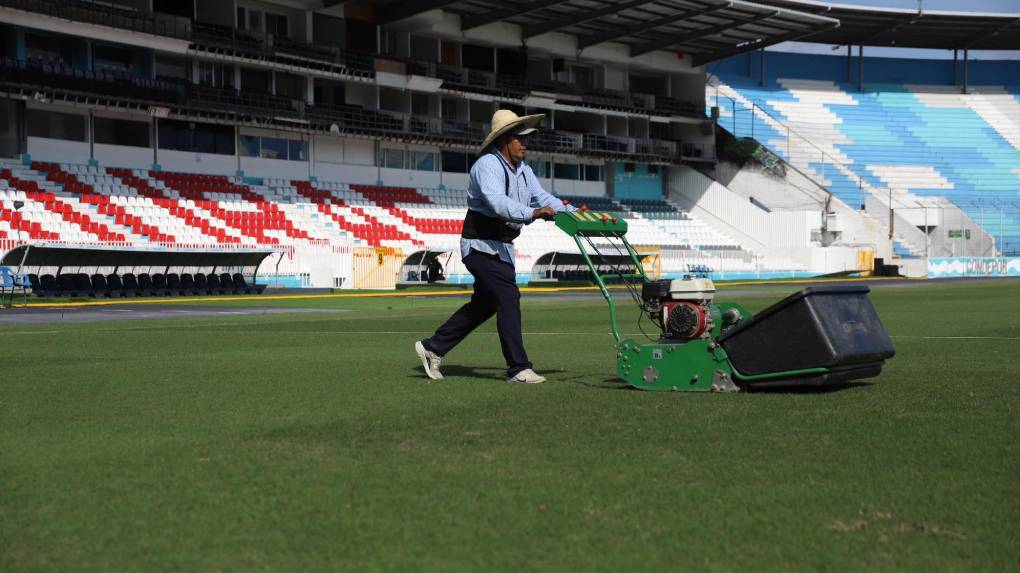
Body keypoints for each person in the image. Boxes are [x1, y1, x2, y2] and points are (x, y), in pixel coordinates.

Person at [415, 109, 575, 383]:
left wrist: (572, 212)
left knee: (485, 305)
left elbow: (542, 197)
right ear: (503, 140)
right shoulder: (486, 165)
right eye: (520, 138)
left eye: (527, 139)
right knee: (508, 296)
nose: (525, 144)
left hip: (501, 248)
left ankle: (433, 347)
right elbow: (497, 203)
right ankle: (518, 368)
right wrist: (533, 213)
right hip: (478, 245)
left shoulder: (524, 170)